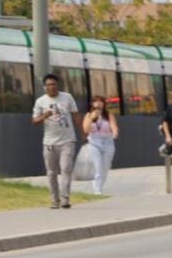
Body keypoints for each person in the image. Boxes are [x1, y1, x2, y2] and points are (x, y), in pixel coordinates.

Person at [31, 74, 81, 209]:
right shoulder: (40, 101)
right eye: (49, 85)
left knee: (66, 169)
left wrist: (83, 132)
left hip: (67, 140)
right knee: (51, 173)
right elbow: (34, 121)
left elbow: (75, 115)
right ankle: (55, 199)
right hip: (49, 143)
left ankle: (65, 199)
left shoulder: (67, 97)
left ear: (57, 85)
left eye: (54, 84)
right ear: (44, 87)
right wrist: (44, 116)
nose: (51, 87)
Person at [83, 97, 120, 194]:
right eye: (96, 102)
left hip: (108, 142)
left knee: (105, 167)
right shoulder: (88, 115)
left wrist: (115, 134)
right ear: (92, 104)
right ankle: (97, 190)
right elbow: (86, 130)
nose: (98, 104)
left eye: (101, 102)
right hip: (94, 143)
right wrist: (92, 118)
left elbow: (114, 127)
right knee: (98, 166)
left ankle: (98, 185)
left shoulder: (108, 115)